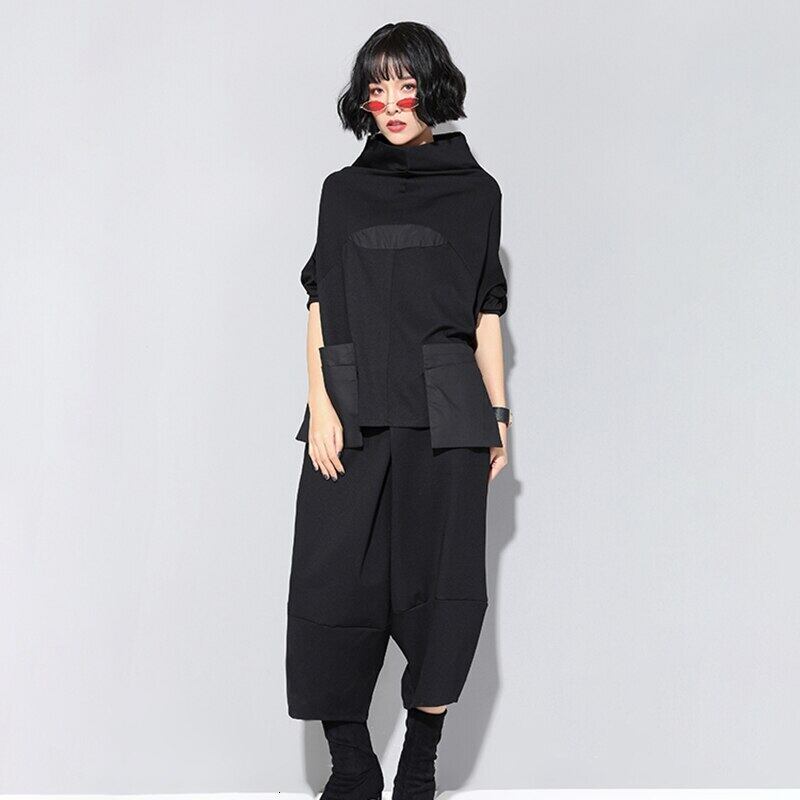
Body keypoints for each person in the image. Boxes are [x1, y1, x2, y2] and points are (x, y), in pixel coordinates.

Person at [285, 20, 512, 800]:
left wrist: (500, 419)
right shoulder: (341, 192)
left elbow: (486, 313)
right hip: (349, 406)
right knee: (329, 582)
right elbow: (319, 302)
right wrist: (319, 404)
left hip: (449, 414)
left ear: (431, 89)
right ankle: (353, 767)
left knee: (444, 587)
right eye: (375, 88)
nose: (389, 103)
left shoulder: (477, 193)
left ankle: (420, 762)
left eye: (404, 85)